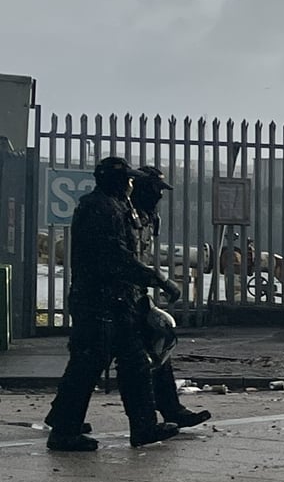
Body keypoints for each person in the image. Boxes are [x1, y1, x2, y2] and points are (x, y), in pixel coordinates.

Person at [43, 157, 185, 451]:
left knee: (134, 362)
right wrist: (159, 280)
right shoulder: (102, 208)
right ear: (118, 182)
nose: (132, 185)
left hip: (115, 301)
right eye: (128, 180)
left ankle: (143, 427)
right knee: (88, 364)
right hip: (98, 302)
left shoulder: (113, 207)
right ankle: (64, 431)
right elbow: (116, 257)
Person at [131, 166, 211, 429]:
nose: (159, 196)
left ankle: (170, 409)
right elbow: (125, 259)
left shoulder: (149, 218)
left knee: (158, 347)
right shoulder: (123, 215)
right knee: (97, 361)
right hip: (115, 297)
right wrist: (161, 281)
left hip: (133, 294)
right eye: (155, 190)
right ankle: (148, 423)